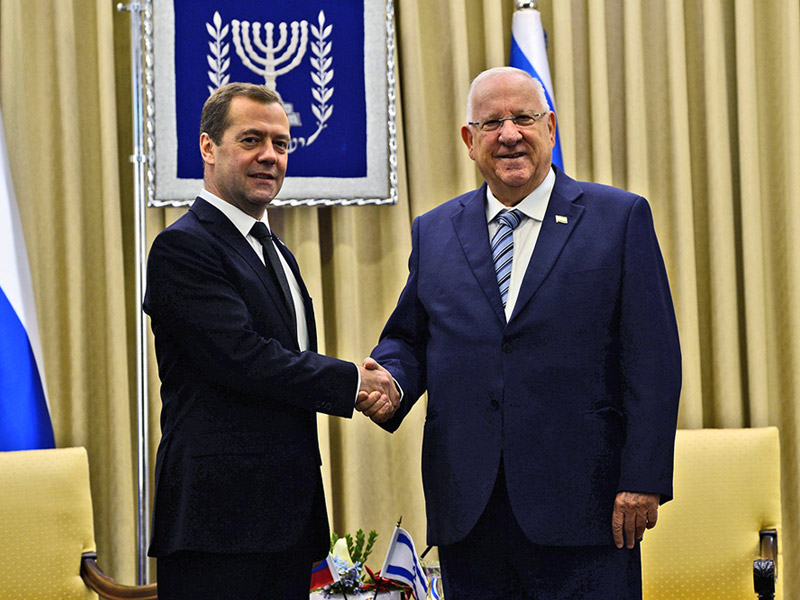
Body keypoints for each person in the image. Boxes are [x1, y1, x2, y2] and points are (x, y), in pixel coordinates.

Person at [360, 67, 681, 599]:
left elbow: (653, 359)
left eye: (523, 118)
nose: (509, 134)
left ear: (550, 128)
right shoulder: (436, 229)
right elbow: (410, 338)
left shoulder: (618, 218)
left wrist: (643, 477)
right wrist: (391, 379)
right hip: (470, 509)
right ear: (470, 140)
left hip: (587, 507)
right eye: (491, 123)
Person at [143, 82, 398, 599]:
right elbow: (243, 358)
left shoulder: (276, 249)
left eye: (281, 144)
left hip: (285, 521)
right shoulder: (182, 248)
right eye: (251, 140)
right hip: (217, 527)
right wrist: (354, 381)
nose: (270, 156)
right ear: (208, 147)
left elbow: (288, 363)